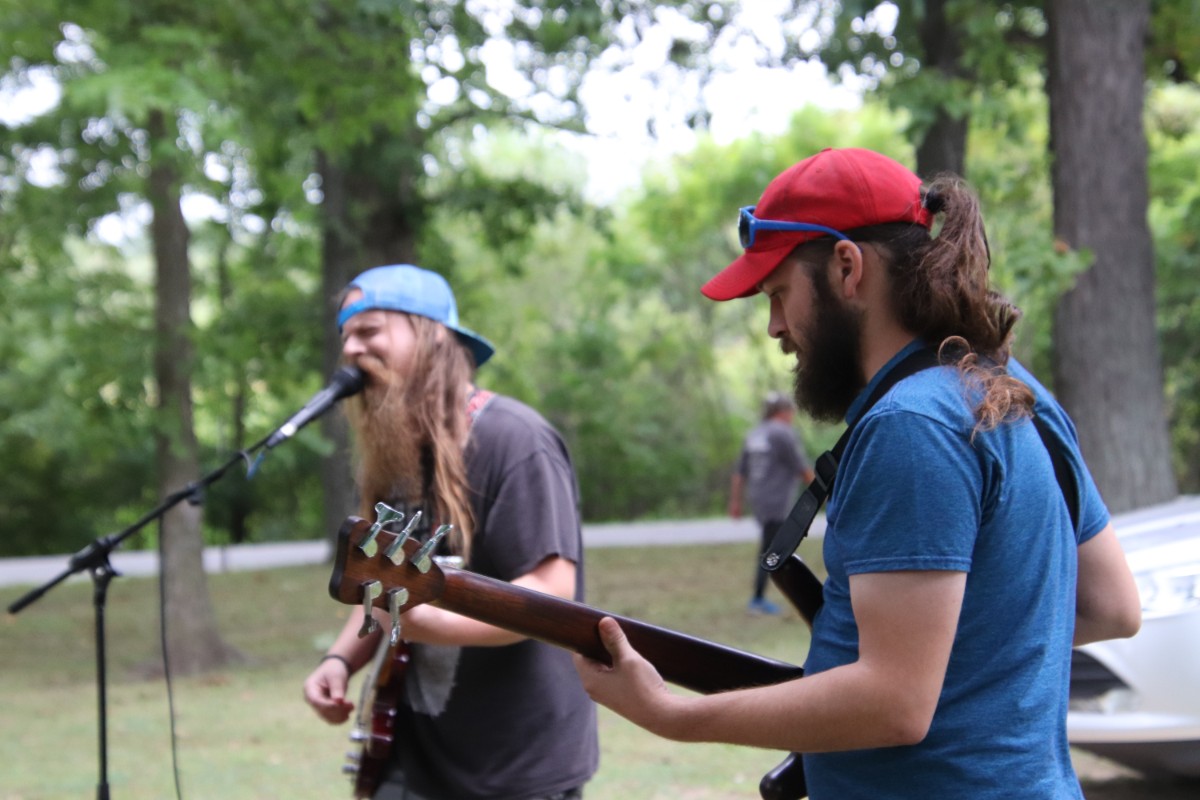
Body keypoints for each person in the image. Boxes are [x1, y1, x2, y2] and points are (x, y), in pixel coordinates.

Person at [572, 148, 1142, 798]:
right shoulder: (1013, 392)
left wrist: (672, 715)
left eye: (781, 292)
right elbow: (1111, 607)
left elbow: (894, 703)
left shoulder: (911, 425)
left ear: (847, 267)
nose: (773, 327)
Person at [303, 264, 598, 800]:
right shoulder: (394, 455)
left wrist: (425, 622)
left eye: (368, 330)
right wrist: (340, 659)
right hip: (411, 754)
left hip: (512, 765)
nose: (349, 349)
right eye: (345, 336)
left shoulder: (515, 440)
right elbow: (383, 585)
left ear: (432, 334)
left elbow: (551, 596)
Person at [730, 391, 815, 615]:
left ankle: (763, 597)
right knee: (772, 550)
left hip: (758, 500)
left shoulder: (755, 433)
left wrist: (736, 502)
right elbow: (801, 467)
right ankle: (757, 600)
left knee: (772, 546)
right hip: (777, 500)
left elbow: (739, 473)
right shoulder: (782, 433)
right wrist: (825, 491)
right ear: (785, 412)